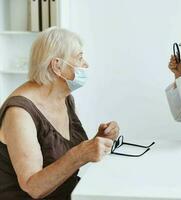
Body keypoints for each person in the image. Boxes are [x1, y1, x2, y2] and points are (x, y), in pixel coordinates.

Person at [0, 27, 120, 199]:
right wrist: (80, 154)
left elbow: (61, 155)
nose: (86, 64)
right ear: (57, 65)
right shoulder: (19, 113)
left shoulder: (63, 97)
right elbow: (33, 187)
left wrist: (99, 140)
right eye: (79, 58)